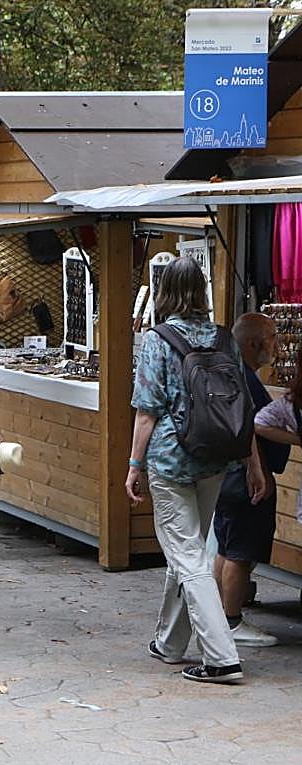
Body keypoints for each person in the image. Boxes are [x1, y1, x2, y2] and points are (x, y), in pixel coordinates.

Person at [127, 256, 264, 684]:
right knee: (187, 551)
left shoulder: (158, 340)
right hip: (215, 459)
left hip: (170, 460)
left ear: (165, 291)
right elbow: (242, 407)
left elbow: (147, 412)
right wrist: (253, 464)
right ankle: (170, 643)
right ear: (201, 291)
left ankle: (222, 657)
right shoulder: (224, 338)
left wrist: (134, 465)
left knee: (188, 556)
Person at [213, 313, 289, 647]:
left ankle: (219, 616)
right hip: (245, 476)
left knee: (227, 547)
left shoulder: (234, 373)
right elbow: (249, 428)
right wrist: (257, 470)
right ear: (254, 343)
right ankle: (230, 620)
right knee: (239, 553)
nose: (277, 345)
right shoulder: (242, 378)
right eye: (272, 338)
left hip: (231, 475)